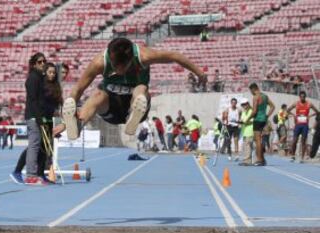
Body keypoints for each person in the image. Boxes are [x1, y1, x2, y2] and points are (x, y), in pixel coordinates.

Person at [57, 38, 206, 142]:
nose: (119, 72)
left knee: (141, 89)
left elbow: (175, 56)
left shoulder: (144, 56)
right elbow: (78, 89)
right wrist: (66, 121)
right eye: (115, 68)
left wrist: (200, 73)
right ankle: (78, 125)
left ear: (130, 60)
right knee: (97, 94)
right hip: (112, 107)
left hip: (135, 105)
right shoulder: (99, 62)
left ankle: (132, 116)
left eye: (123, 68)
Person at [287, 91, 319, 162]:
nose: (302, 98)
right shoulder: (296, 103)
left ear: (305, 97)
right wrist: (294, 115)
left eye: (304, 97)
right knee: (294, 140)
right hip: (298, 125)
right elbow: (288, 110)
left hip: (305, 125)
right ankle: (293, 155)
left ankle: (302, 157)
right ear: (299, 97)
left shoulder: (309, 104)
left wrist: (310, 116)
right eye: (301, 97)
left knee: (303, 141)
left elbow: (317, 112)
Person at [249, 83, 275, 166]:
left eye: (251, 91)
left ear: (253, 89)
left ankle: (259, 160)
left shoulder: (256, 97)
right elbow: (273, 106)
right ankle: (262, 159)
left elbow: (254, 111)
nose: (251, 93)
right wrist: (267, 115)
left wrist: (247, 119)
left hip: (257, 120)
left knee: (257, 141)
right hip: (264, 120)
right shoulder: (265, 96)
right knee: (259, 140)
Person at [238, 98, 254, 166]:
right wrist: (239, 122)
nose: (244, 106)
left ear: (248, 103)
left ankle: (247, 161)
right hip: (244, 131)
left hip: (250, 131)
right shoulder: (244, 112)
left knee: (248, 146)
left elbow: (252, 120)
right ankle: (248, 160)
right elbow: (242, 120)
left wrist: (244, 122)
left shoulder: (252, 111)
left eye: (245, 104)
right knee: (246, 146)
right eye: (242, 104)